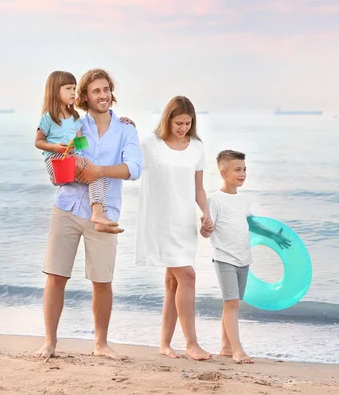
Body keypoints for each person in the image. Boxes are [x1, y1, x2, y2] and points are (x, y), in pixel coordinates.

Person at [34, 68, 143, 359]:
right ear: (85, 96)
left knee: (102, 281)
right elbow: (61, 168)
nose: (103, 95)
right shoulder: (76, 127)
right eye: (96, 91)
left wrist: (99, 171)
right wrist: (80, 171)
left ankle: (101, 344)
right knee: (56, 277)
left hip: (105, 213)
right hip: (67, 208)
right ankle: (49, 342)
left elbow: (133, 168)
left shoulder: (126, 130)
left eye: (106, 89)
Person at [135, 95, 214, 361]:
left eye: (187, 123)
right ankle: (192, 344)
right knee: (188, 277)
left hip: (183, 224)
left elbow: (198, 188)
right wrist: (121, 127)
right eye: (178, 122)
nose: (183, 128)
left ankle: (165, 344)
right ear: (167, 119)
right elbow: (124, 159)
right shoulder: (149, 144)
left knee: (172, 282)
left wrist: (206, 213)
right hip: (159, 222)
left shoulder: (197, 148)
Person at [200, 150, 291, 364]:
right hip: (224, 258)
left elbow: (252, 224)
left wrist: (273, 236)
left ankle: (225, 346)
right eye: (238, 170)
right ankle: (238, 350)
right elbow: (206, 232)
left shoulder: (243, 200)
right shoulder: (214, 200)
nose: (243, 174)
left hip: (243, 259)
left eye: (244, 169)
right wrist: (205, 229)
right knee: (231, 302)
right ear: (223, 172)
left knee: (231, 303)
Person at [34, 70, 131, 232]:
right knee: (95, 173)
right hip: (56, 159)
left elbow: (80, 144)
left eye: (74, 88)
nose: (73, 93)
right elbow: (38, 142)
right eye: (68, 89)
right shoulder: (48, 117)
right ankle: (99, 216)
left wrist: (82, 157)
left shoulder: (74, 117)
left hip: (71, 157)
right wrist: (55, 147)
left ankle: (99, 217)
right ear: (54, 91)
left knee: (98, 175)